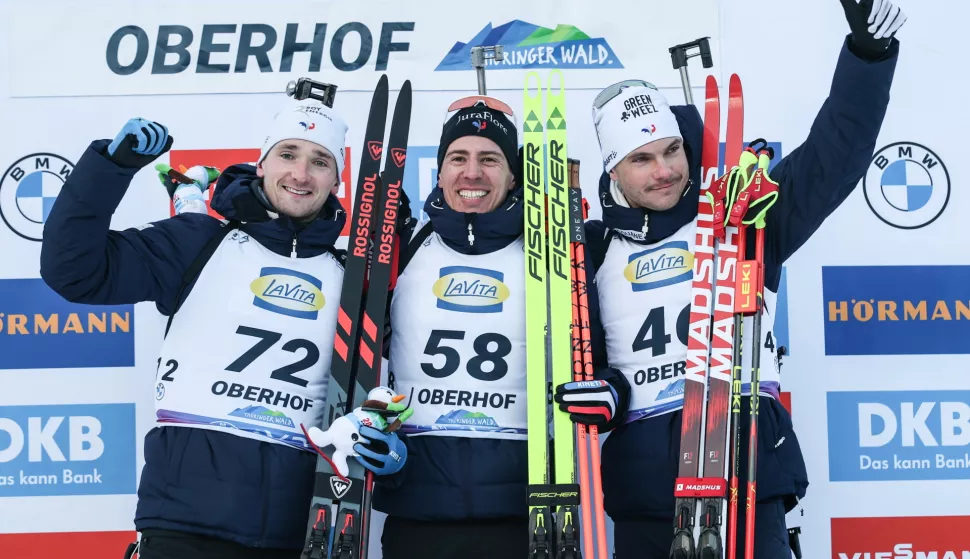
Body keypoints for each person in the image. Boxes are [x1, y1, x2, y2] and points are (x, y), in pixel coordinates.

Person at [553, 0, 907, 557]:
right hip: (646, 499)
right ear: (613, 170)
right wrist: (602, 394)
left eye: (672, 150)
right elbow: (596, 370)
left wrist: (868, 56)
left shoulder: (745, 217)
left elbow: (833, 156)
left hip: (746, 484)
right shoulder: (592, 252)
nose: (665, 170)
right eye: (642, 159)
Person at [40, 96, 396, 558]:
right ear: (262, 163)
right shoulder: (198, 241)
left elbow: (387, 388)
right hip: (184, 525)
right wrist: (111, 168)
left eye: (320, 161)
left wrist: (383, 439)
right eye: (288, 154)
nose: (301, 174)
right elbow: (74, 270)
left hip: (296, 532)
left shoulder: (351, 279)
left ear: (337, 179)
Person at [369, 96, 608, 559]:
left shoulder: (552, 256)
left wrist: (607, 392)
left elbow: (594, 359)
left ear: (513, 173)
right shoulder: (406, 249)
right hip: (418, 515)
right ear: (439, 172)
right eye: (458, 158)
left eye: (489, 159)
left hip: (527, 519)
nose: (472, 173)